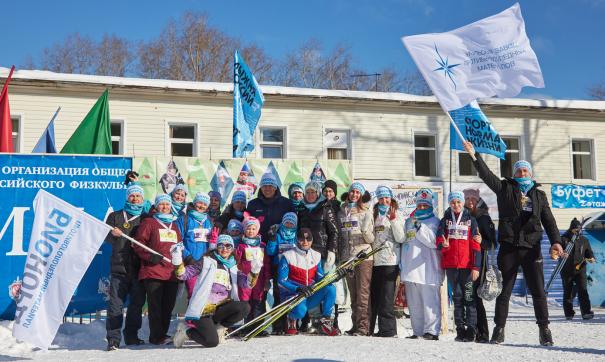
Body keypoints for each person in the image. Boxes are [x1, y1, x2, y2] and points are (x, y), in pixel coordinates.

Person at [463, 141, 563, 346]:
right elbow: (487, 175)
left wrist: (557, 242)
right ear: (515, 173)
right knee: (504, 291)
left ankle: (544, 329)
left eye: (526, 170)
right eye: (519, 170)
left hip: (531, 248)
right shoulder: (505, 188)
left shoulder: (539, 194)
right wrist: (475, 155)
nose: (523, 173)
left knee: (538, 291)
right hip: (509, 247)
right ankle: (499, 330)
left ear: (531, 173)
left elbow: (549, 220)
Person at [172, 235, 250, 348]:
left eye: (228, 246)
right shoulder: (206, 262)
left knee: (244, 307)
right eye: (221, 245)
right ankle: (186, 332)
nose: (224, 249)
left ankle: (219, 328)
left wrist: (255, 271)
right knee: (211, 342)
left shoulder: (233, 265)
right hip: (203, 309)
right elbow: (183, 275)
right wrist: (177, 259)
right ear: (216, 247)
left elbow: (247, 284)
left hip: (221, 307)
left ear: (232, 248)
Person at [132, 194, 181, 345]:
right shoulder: (149, 222)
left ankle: (163, 334)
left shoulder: (174, 225)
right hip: (154, 271)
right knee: (155, 306)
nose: (164, 207)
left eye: (167, 204)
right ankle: (156, 336)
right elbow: (138, 244)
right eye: (161, 204)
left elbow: (179, 245)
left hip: (171, 272)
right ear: (156, 206)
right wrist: (150, 256)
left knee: (168, 306)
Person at [105, 184, 148, 351]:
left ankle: (131, 336)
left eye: (138, 196)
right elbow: (105, 237)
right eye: (132, 196)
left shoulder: (145, 218)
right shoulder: (115, 216)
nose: (135, 199)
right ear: (127, 197)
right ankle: (113, 340)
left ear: (142, 199)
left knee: (136, 305)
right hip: (119, 268)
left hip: (139, 269)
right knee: (115, 305)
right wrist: (112, 234)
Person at [436, 191, 482, 342]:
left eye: (458, 202)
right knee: (457, 298)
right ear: (449, 204)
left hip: (467, 267)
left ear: (463, 203)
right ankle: (460, 330)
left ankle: (471, 330)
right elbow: (438, 241)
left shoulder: (471, 220)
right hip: (451, 267)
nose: (456, 205)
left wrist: (476, 267)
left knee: (469, 298)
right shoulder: (444, 221)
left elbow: (476, 245)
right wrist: (444, 245)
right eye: (453, 202)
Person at [400, 188, 443, 341]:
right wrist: (402, 264)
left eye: (425, 205)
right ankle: (417, 331)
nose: (422, 208)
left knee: (430, 302)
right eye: (420, 206)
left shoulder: (436, 222)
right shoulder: (408, 222)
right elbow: (405, 243)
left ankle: (431, 331)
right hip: (411, 268)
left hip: (428, 268)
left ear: (430, 205)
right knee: (414, 304)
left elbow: (433, 242)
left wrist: (420, 227)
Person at [278, 228, 339, 336]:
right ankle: (292, 319)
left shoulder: (316, 255)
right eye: (302, 239)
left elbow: (320, 278)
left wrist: (332, 278)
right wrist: (297, 288)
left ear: (312, 240)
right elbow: (281, 281)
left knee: (330, 288)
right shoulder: (288, 256)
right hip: (294, 295)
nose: (305, 242)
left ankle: (326, 320)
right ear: (297, 240)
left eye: (308, 239)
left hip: (309, 293)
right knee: (300, 312)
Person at [297, 181, 339, 332]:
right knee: (311, 287)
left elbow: (334, 231)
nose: (310, 195)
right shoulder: (300, 209)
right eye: (307, 192)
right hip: (306, 255)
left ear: (318, 193)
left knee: (328, 286)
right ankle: (315, 320)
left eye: (313, 192)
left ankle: (329, 319)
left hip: (322, 254)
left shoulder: (325, 208)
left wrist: (332, 251)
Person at [338, 182, 374, 336]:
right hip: (348, 257)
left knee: (363, 293)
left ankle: (363, 327)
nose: (354, 194)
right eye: (352, 192)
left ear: (361, 195)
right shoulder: (341, 211)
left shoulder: (366, 212)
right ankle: (355, 324)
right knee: (353, 293)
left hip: (363, 255)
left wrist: (365, 230)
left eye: (357, 192)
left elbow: (371, 238)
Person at [369, 185, 404, 338]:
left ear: (391, 198)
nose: (384, 201)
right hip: (376, 261)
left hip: (390, 260)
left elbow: (401, 238)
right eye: (381, 198)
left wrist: (394, 220)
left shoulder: (397, 214)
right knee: (375, 297)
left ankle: (389, 330)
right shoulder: (374, 213)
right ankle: (374, 329)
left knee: (387, 297)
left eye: (387, 198)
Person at [463, 188, 497, 343]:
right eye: (467, 198)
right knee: (463, 298)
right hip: (461, 262)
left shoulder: (483, 217)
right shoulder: (460, 215)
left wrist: (481, 241)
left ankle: (482, 333)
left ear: (478, 200)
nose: (470, 201)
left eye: (473, 199)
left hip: (478, 263)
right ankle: (468, 330)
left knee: (475, 298)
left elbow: (492, 245)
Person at [235, 217, 271, 333]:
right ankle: (245, 327)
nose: (251, 231)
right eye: (248, 229)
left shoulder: (262, 246)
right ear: (244, 230)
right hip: (245, 279)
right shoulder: (241, 246)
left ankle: (258, 327)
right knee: (245, 302)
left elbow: (266, 264)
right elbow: (237, 263)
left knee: (258, 302)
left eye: (253, 229)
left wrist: (267, 279)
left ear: (258, 231)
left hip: (259, 280)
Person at [176, 192, 215, 297]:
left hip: (205, 263)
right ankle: (191, 313)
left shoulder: (209, 221)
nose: (201, 206)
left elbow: (211, 242)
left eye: (205, 204)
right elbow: (177, 241)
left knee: (204, 295)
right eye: (199, 203)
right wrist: (188, 257)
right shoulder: (184, 219)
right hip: (190, 262)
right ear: (194, 203)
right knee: (193, 294)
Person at [265, 212, 299, 335]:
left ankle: (293, 323)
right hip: (278, 269)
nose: (289, 224)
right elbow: (270, 251)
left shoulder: (297, 235)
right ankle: (278, 325)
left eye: (291, 222)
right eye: (287, 222)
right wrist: (273, 239)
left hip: (294, 269)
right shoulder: (278, 234)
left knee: (294, 296)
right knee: (278, 296)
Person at [560, 218, 595, 320]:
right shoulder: (564, 239)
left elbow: (589, 252)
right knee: (568, 292)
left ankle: (586, 312)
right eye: (575, 229)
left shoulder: (584, 240)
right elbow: (555, 250)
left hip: (580, 269)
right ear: (571, 229)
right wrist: (560, 254)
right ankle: (569, 313)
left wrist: (591, 258)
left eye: (579, 229)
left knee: (583, 290)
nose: (577, 231)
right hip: (567, 269)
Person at [247, 173, 294, 241]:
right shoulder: (252, 204)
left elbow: (295, 224)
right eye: (264, 186)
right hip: (258, 244)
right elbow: (245, 224)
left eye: (270, 185)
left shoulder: (287, 203)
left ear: (275, 187)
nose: (267, 189)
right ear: (261, 187)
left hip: (281, 243)